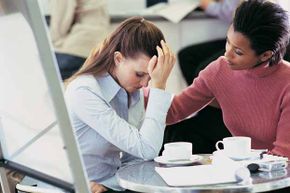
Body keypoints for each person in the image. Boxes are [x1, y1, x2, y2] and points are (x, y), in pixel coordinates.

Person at [165, 0, 290, 160]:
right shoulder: (219, 69)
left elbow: (283, 157)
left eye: (238, 52)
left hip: (280, 174)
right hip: (250, 169)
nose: (227, 55)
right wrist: (147, 87)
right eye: (227, 42)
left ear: (265, 55)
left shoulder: (286, 83)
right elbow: (175, 111)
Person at [64, 16, 176, 193]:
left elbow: (137, 158)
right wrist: (159, 87)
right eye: (140, 74)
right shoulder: (84, 91)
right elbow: (147, 149)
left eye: (151, 76)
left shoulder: (131, 89)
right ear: (118, 59)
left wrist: (110, 185)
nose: (145, 84)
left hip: (108, 185)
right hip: (74, 187)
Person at [49, 0, 109, 80]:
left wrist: (55, 42)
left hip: (78, 45)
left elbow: (62, 18)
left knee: (45, 74)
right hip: (96, 47)